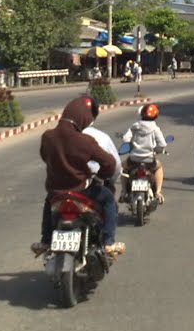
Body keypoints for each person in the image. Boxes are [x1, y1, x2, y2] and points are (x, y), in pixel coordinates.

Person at [32, 96, 125, 257]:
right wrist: (100, 177)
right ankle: (108, 242)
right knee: (109, 199)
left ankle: (46, 240)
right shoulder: (85, 141)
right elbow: (110, 163)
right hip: (82, 192)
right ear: (83, 118)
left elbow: (44, 156)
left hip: (57, 193)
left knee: (48, 203)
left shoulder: (48, 137)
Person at [121, 103, 168, 203]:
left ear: (141, 114)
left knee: (124, 168)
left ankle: (124, 191)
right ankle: (158, 192)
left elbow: (125, 139)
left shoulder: (135, 126)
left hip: (133, 159)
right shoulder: (155, 129)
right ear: (155, 115)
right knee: (159, 167)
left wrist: (132, 144)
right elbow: (162, 144)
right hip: (149, 160)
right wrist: (158, 149)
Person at [82, 96, 121, 198]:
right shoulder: (102, 137)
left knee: (51, 200)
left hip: (67, 182)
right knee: (109, 201)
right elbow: (116, 165)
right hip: (95, 183)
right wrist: (111, 182)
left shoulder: (63, 134)